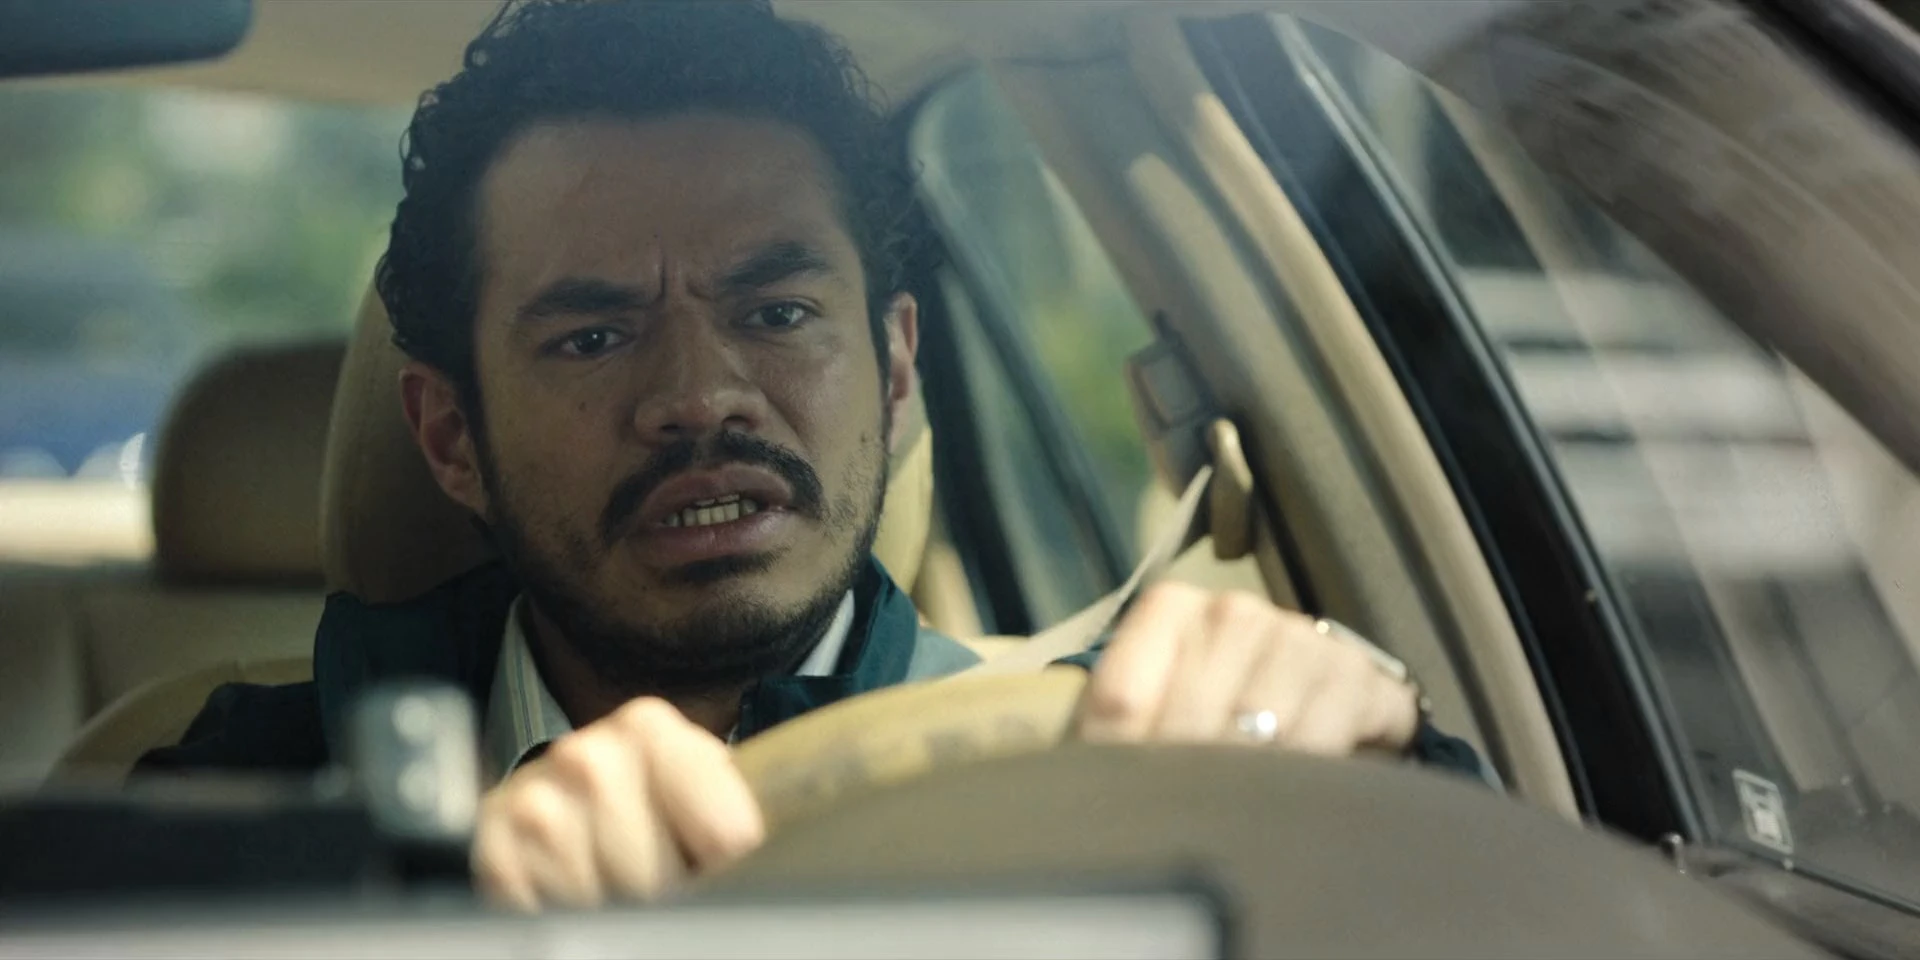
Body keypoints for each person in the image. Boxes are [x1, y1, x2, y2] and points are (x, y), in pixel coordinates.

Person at [138, 0, 1489, 910]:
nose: (698, 397)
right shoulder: (242, 795)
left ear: (896, 372)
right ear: (449, 437)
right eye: (594, 337)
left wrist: (1388, 764)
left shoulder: (1104, 757)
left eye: (777, 314)